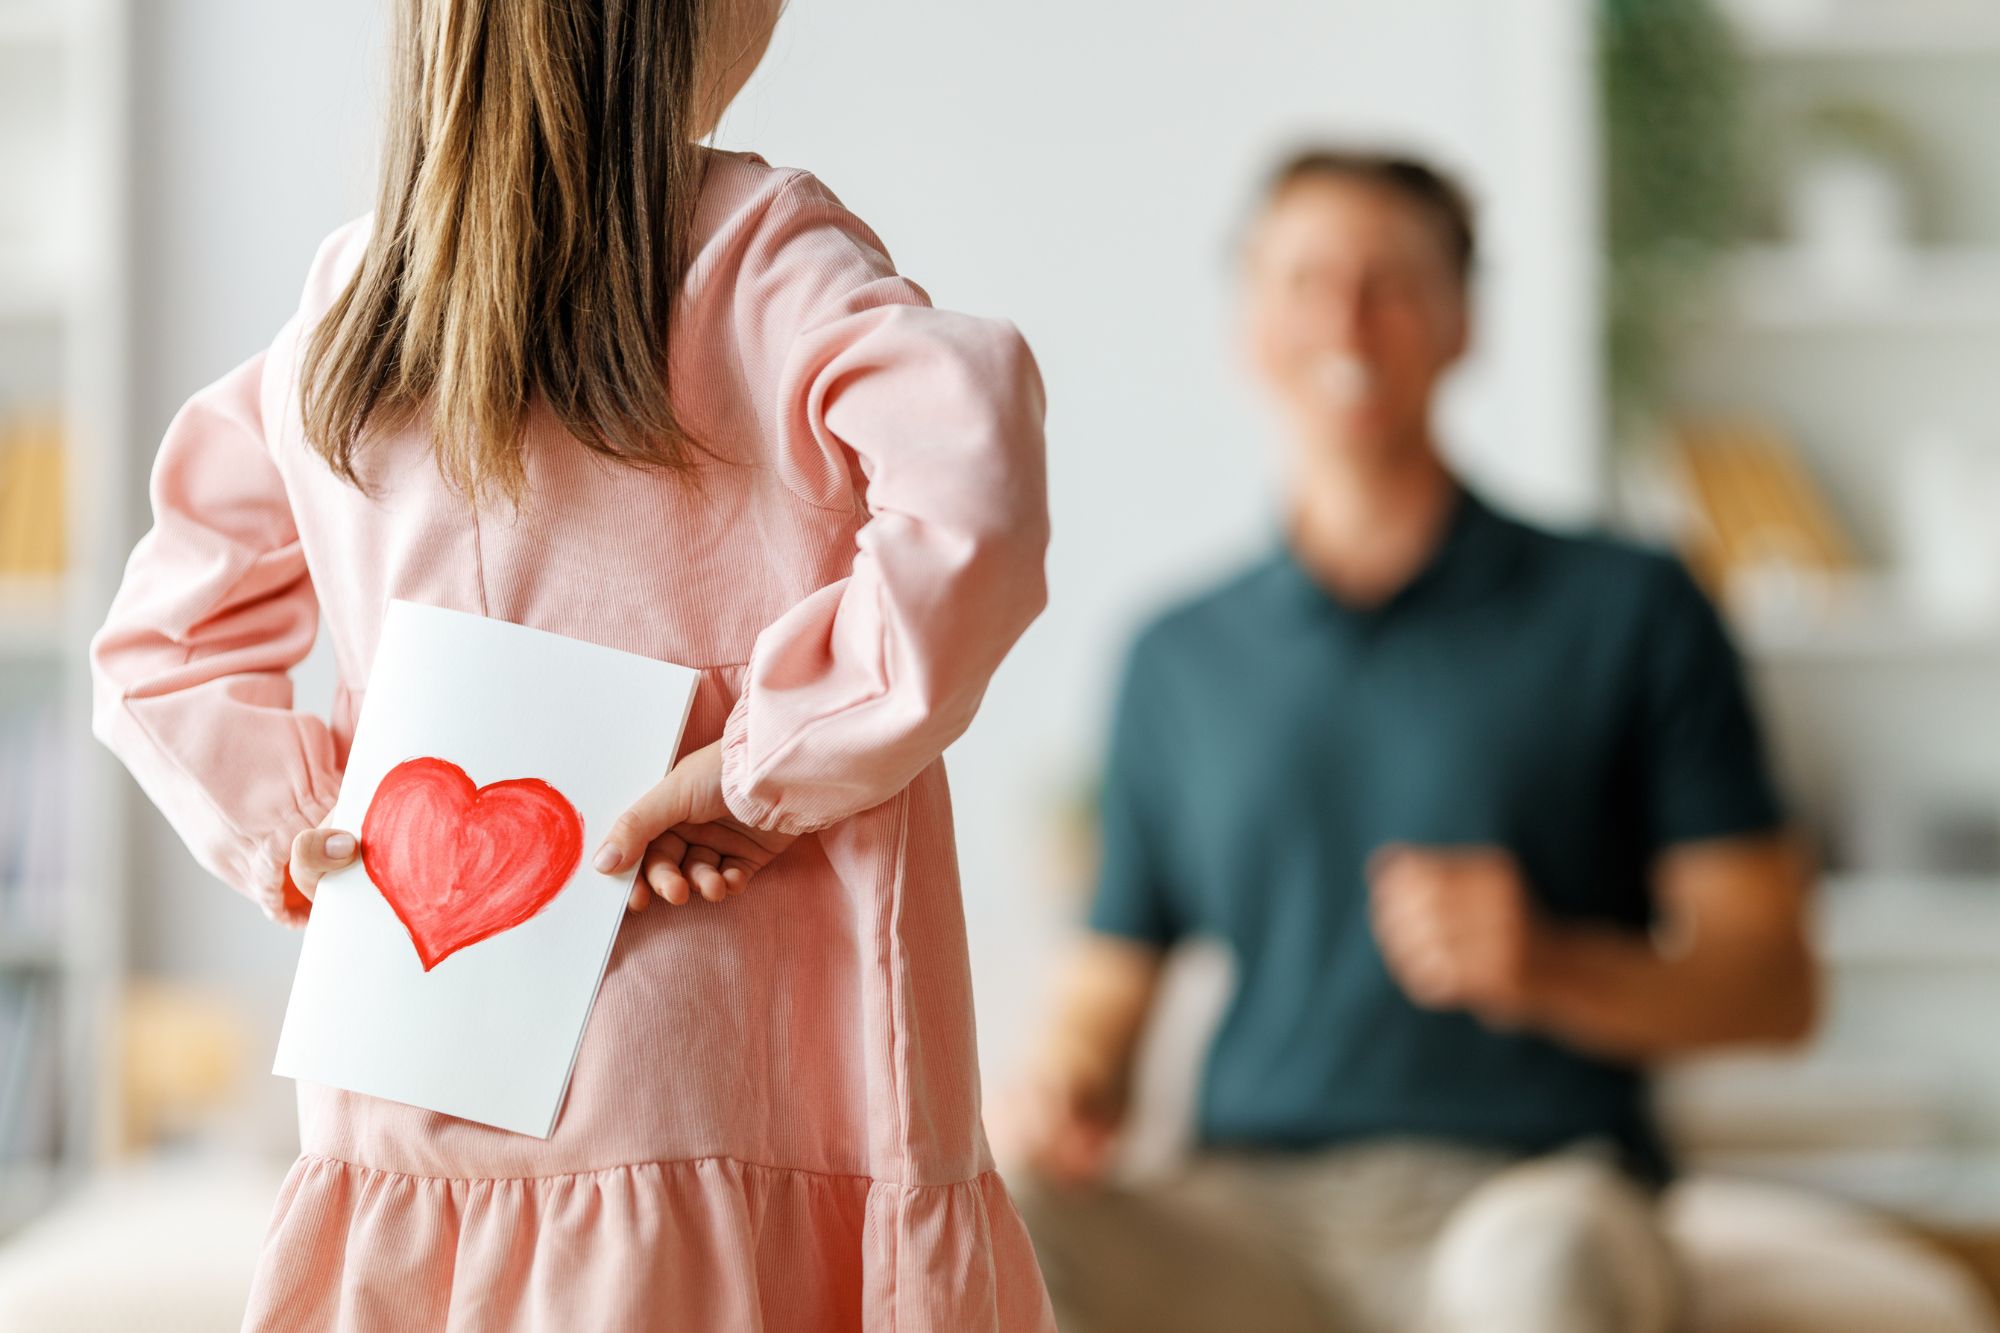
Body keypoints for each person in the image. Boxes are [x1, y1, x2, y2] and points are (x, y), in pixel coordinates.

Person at [88, 1, 1056, 1327]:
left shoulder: (357, 297)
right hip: (728, 1067)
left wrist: (303, 821)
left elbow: (159, 646)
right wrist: (775, 756)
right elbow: (977, 481)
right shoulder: (755, 253)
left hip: (411, 1052)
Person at [999, 149, 1819, 1333]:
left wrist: (1546, 963)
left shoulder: (1630, 607)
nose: (1345, 317)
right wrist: (1066, 1082)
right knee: (1005, 1213)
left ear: (1460, 323)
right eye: (1303, 280)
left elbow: (1774, 983)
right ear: (1249, 324)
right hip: (1248, 1216)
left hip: (1532, 1193)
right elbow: (1105, 992)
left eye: (1390, 281)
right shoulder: (1173, 656)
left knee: (1535, 1275)